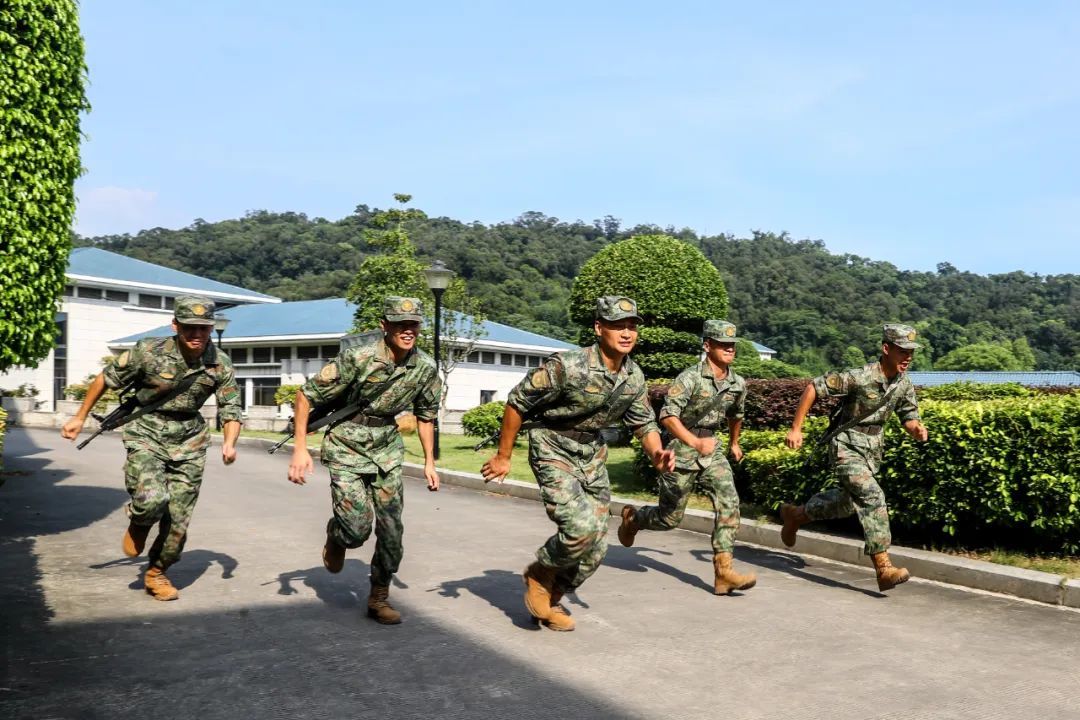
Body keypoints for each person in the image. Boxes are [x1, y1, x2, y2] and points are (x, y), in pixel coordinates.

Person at [481, 296, 675, 632]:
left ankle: (549, 600)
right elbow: (517, 402)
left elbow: (643, 423)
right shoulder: (567, 365)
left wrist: (657, 452)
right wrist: (503, 456)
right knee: (580, 529)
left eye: (632, 327)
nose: (626, 333)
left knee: (596, 546)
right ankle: (540, 572)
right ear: (599, 328)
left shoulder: (633, 376)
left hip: (592, 454)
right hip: (553, 446)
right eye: (617, 326)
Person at [60, 295, 242, 601]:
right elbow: (106, 379)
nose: (197, 334)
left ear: (211, 328)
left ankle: (157, 572)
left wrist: (229, 442)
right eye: (190, 327)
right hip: (147, 430)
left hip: (190, 439)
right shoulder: (148, 351)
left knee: (178, 517)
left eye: (204, 328)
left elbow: (231, 407)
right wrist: (79, 417)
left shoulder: (219, 362)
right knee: (152, 499)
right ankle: (140, 520)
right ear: (175, 325)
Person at [288, 296, 441, 625]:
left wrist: (430, 462)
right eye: (400, 324)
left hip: (387, 448)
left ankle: (379, 596)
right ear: (385, 326)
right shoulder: (357, 357)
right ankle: (337, 535)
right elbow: (306, 395)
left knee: (391, 530)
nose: (408, 330)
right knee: (356, 529)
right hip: (346, 445)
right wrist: (300, 448)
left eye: (413, 325)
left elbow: (426, 415)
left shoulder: (426, 368)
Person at [781, 323, 929, 591]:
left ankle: (797, 516)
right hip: (845, 447)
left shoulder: (903, 384)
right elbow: (814, 387)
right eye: (902, 351)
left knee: (848, 503)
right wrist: (796, 428)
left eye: (911, 352)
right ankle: (883, 568)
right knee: (873, 496)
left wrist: (916, 430)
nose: (908, 357)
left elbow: (908, 416)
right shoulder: (859, 377)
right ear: (886, 349)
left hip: (871, 451)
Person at [617, 320, 756, 595]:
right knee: (669, 518)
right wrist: (694, 442)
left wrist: (734, 442)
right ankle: (634, 519)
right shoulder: (689, 378)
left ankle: (723, 572)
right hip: (681, 451)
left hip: (712, 451)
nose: (730, 349)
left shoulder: (737, 383)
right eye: (723, 344)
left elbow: (736, 415)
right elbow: (668, 416)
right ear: (707, 346)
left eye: (732, 345)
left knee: (729, 502)